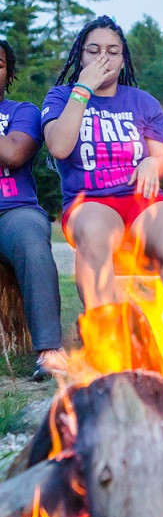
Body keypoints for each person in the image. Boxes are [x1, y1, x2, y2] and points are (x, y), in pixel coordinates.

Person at [42, 16, 163, 334]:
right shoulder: (61, 97)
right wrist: (83, 88)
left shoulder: (143, 102)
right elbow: (58, 146)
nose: (104, 58)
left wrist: (153, 164)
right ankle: (107, 338)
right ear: (80, 56)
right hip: (91, 201)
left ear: (123, 57)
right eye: (94, 50)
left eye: (113, 51)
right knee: (95, 236)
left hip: (142, 200)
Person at [0, 39, 65, 382]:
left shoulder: (21, 112)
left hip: (13, 210)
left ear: (8, 73)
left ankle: (49, 350)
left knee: (32, 243)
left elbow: (13, 154)